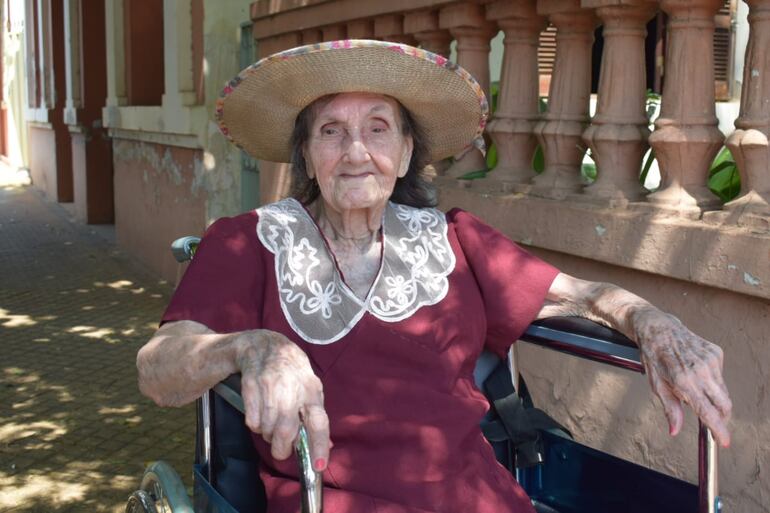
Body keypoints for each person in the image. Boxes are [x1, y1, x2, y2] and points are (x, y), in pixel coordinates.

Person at [136, 40, 731, 513]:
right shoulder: (249, 241)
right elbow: (159, 368)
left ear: (406, 149)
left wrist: (653, 322)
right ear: (306, 157)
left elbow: (588, 296)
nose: (354, 151)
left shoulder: (453, 240)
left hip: (476, 496)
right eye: (330, 131)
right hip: (329, 500)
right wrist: (254, 345)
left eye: (377, 127)